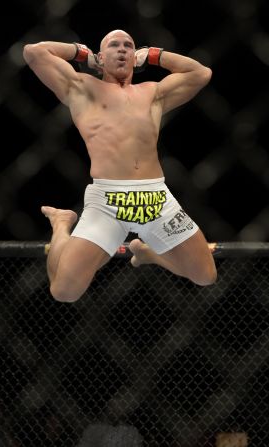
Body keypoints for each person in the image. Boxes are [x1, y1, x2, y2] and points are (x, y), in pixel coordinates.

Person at [23, 29, 217, 302]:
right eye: (115, 45)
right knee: (64, 291)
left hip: (156, 198)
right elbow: (34, 52)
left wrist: (152, 55)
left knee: (205, 276)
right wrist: (82, 54)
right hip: (107, 201)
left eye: (129, 45)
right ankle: (61, 223)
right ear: (101, 58)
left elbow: (201, 73)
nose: (123, 49)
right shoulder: (81, 88)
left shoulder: (153, 93)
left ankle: (151, 255)